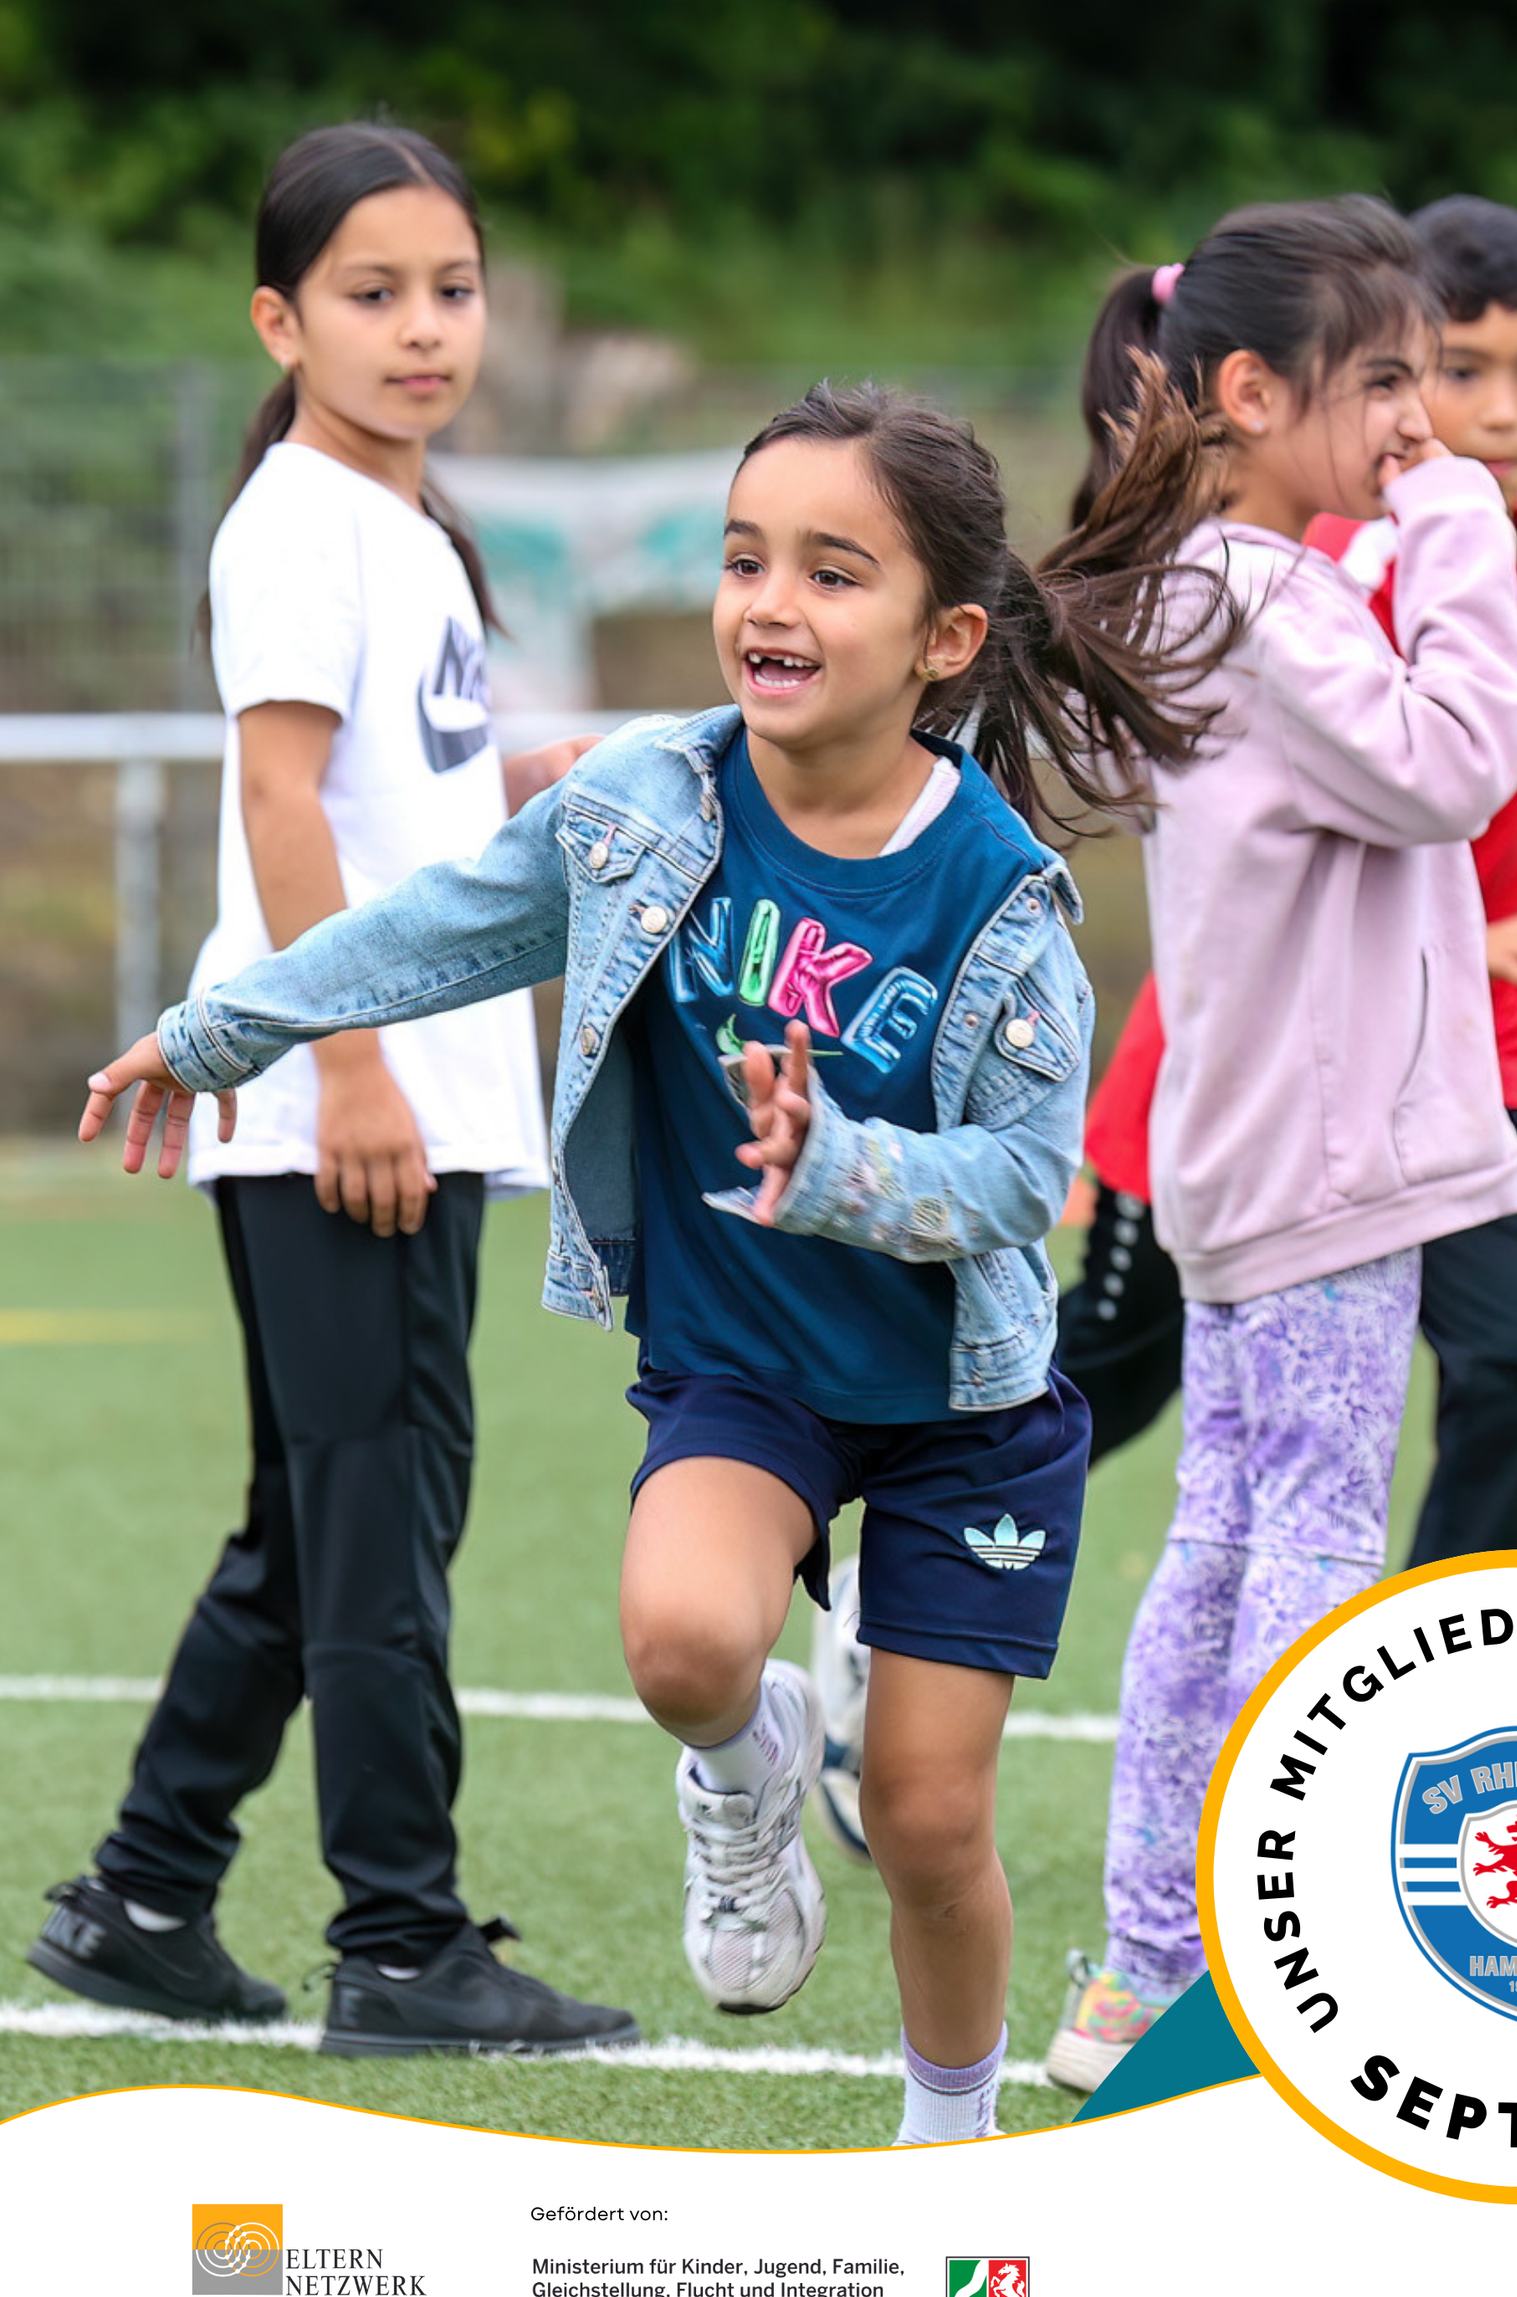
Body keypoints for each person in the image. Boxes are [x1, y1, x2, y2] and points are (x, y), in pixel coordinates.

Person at [75, 379, 1234, 2143]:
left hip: (961, 1406)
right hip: (746, 1367)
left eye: (833, 572)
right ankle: (750, 1767)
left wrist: (840, 1170)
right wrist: (222, 1026)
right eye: (745, 559)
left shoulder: (1002, 901)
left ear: (945, 640)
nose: (770, 603)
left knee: (929, 1824)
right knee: (687, 1645)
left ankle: (949, 2148)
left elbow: (1022, 1179)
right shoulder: (648, 803)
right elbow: (438, 927)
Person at [29, 124, 637, 2056]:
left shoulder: (403, 525)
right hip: (349, 1114)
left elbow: (387, 802)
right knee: (378, 1539)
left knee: (318, 1529)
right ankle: (404, 1942)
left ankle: (144, 1894)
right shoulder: (298, 521)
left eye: (452, 288)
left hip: (400, 1099)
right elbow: (280, 804)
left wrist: (522, 787)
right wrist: (351, 1066)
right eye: (374, 294)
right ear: (281, 323)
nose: (424, 326)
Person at [1045, 199, 1517, 2092]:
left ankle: (1145, 1975)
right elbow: (1458, 761)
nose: (1421, 423)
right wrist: (1466, 529)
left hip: (1247, 1156)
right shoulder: (1269, 598)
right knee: (1312, 1550)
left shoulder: (1195, 592)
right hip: (1330, 1165)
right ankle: (1258, 1972)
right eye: (1389, 383)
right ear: (1250, 394)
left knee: (1225, 1539)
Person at [1316, 196, 1517, 1567]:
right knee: (1110, 1368)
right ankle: (907, 1577)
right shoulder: (1349, 562)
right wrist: (1476, 937)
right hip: (1335, 1037)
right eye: (1464, 371)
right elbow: (1312, 819)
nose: (1503, 409)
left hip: (1484, 1043)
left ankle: (1432, 1654)